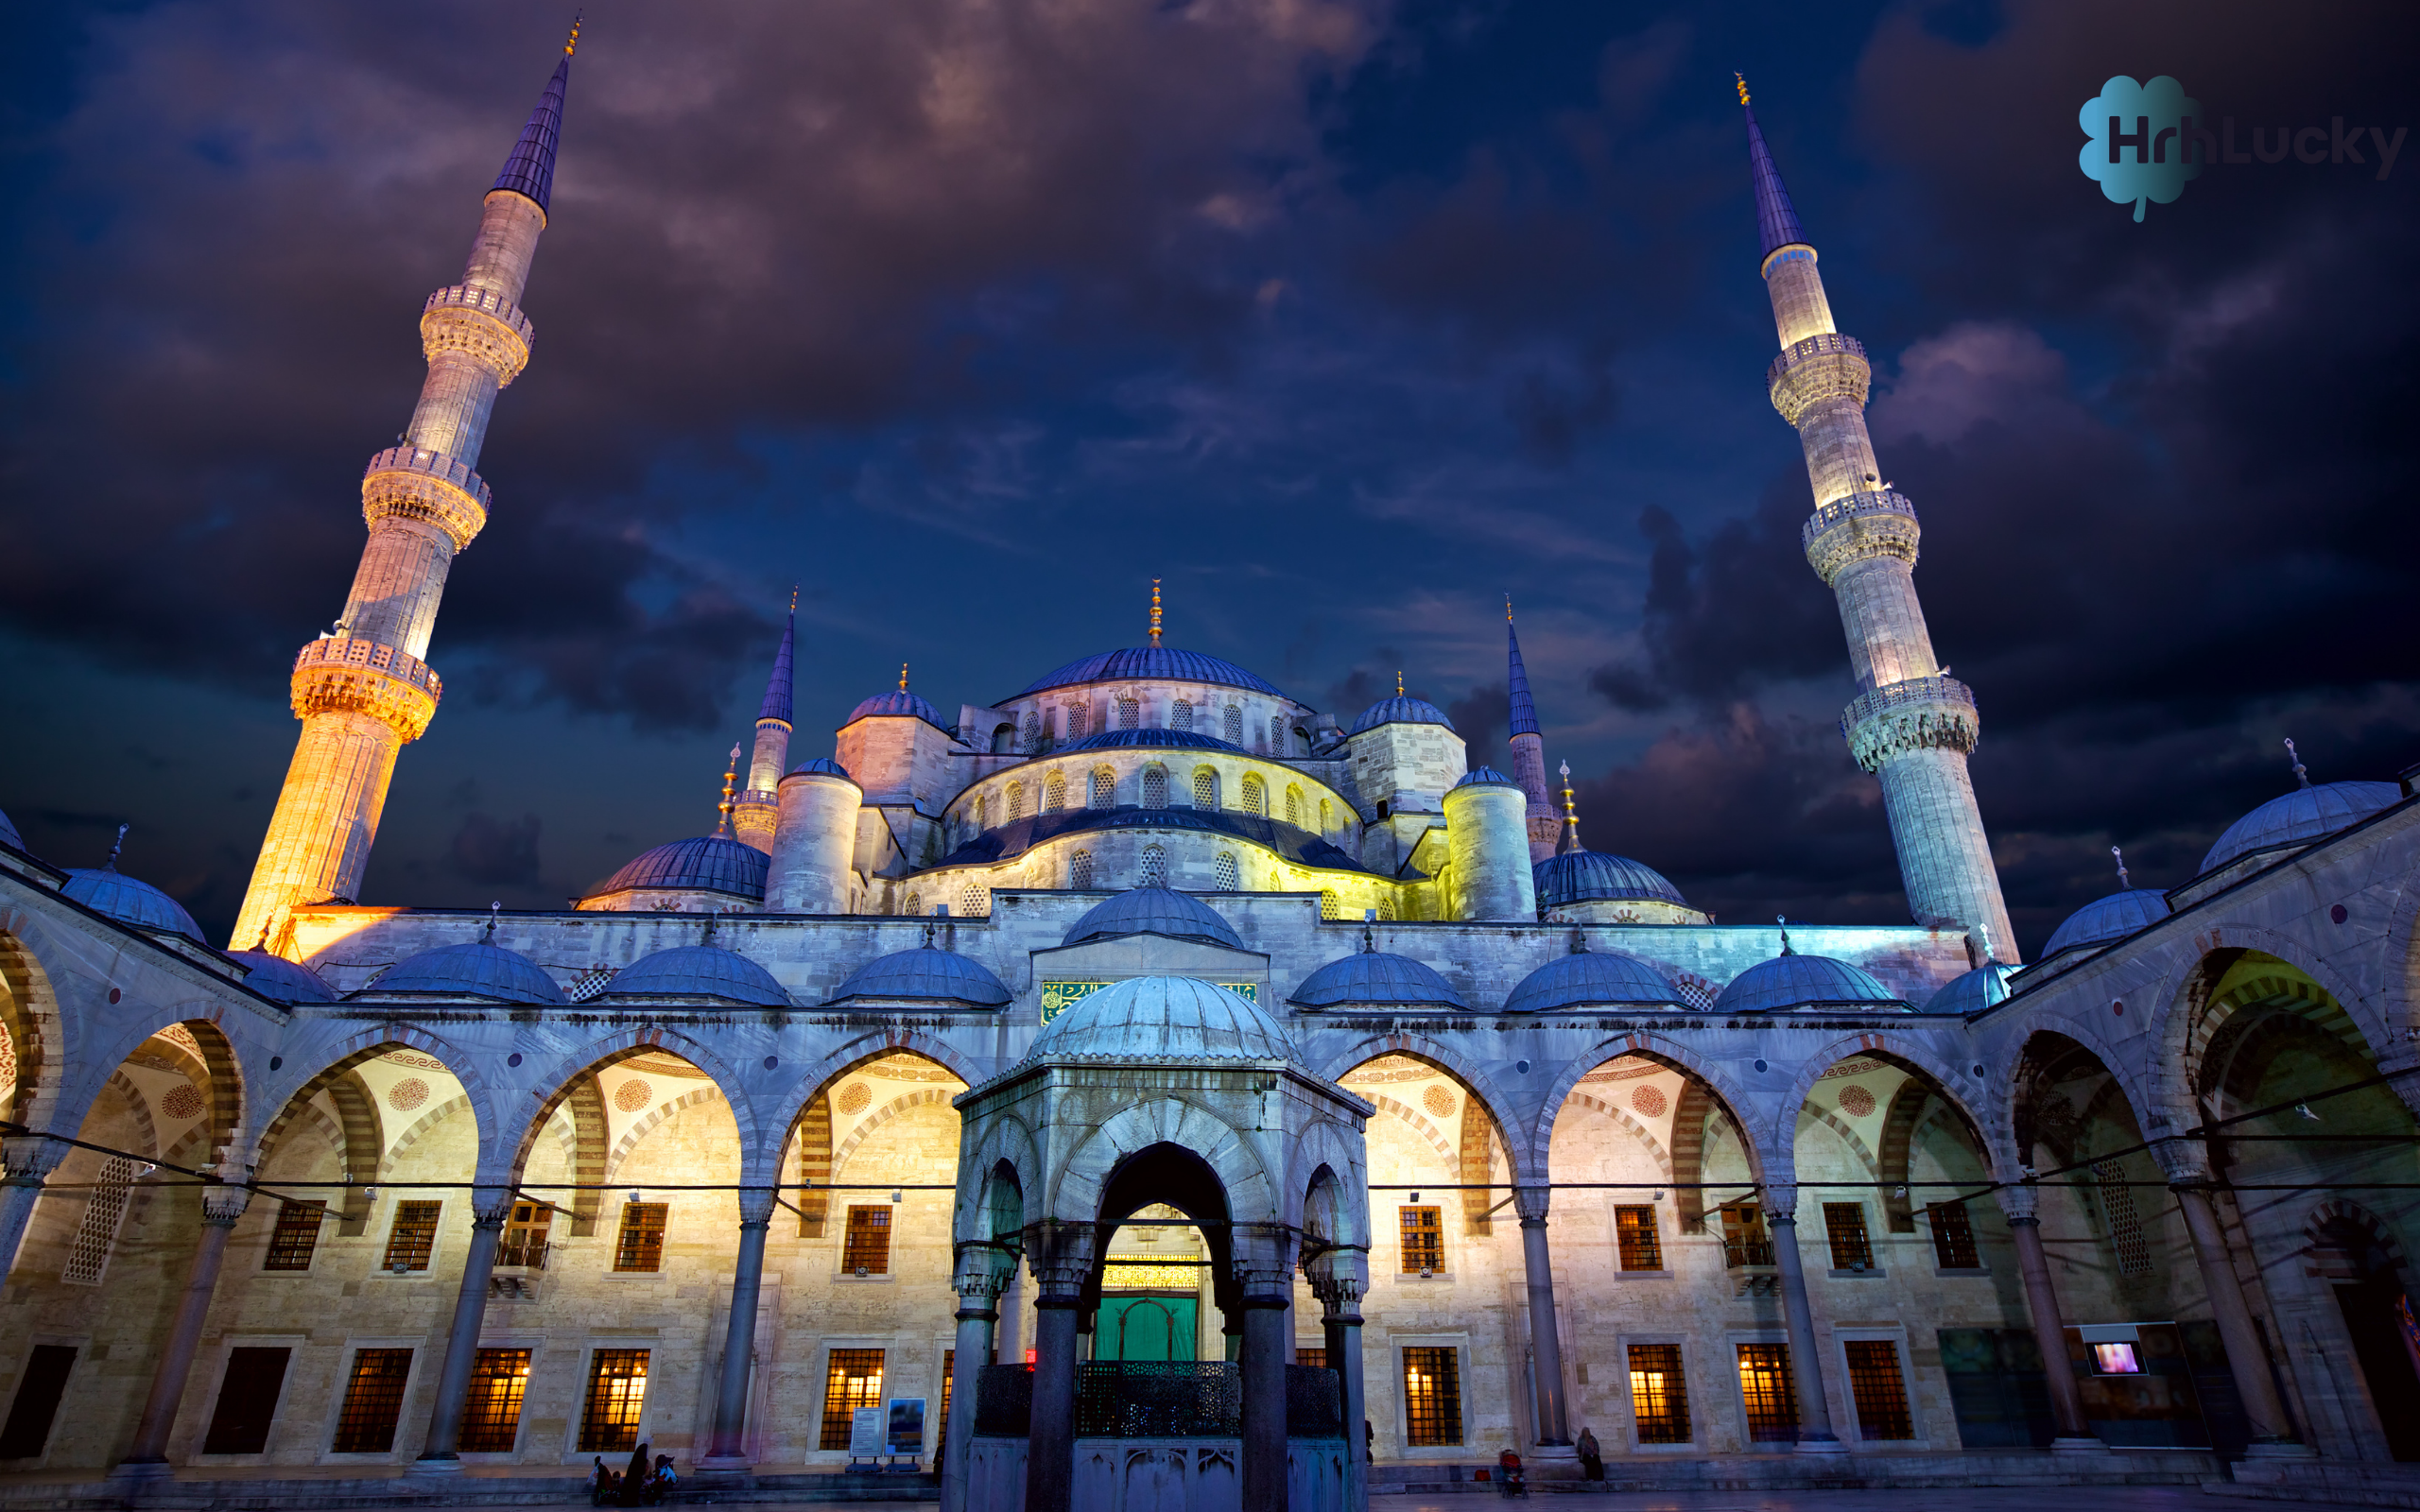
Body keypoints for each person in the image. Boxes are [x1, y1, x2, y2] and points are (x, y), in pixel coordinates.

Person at [621, 1441, 651, 1506]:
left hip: (634, 1477)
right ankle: (631, 1502)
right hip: (634, 1478)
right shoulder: (639, 1460)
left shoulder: (636, 1460)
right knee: (633, 1490)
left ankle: (631, 1502)